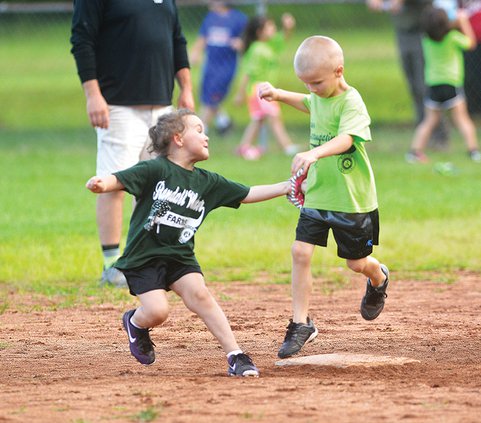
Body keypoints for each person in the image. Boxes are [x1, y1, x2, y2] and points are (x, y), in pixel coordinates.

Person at [86, 109, 292, 376]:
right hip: (144, 258)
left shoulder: (207, 181)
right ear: (178, 139)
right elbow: (122, 178)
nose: (206, 137)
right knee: (158, 312)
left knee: (201, 295)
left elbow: (248, 193)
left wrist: (286, 186)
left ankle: (236, 355)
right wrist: (103, 183)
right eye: (198, 130)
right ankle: (135, 323)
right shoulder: (155, 168)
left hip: (179, 255)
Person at [257, 36, 390, 359]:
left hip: (351, 200)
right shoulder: (318, 95)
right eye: (307, 83)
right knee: (300, 251)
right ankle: (300, 324)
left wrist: (314, 152)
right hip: (317, 193)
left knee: (355, 263)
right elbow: (308, 101)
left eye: (317, 82)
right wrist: (277, 94)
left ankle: (379, 277)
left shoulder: (351, 101)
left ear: (338, 71)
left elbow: (347, 138)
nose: (312, 89)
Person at [70, 0, 195, 288]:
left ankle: (147, 258)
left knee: (159, 186)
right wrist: (93, 94)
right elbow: (82, 39)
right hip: (118, 104)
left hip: (162, 104)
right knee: (114, 182)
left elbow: (177, 38)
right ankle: (112, 264)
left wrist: (186, 87)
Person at [367, 0, 450, 148]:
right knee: (414, 87)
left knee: (424, 86)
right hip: (402, 31)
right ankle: (423, 133)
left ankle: (439, 136)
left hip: (422, 32)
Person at [406, 7, 481, 163]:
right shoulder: (453, 37)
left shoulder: (425, 40)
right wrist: (463, 22)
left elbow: (437, 29)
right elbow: (472, 43)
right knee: (462, 119)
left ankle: (414, 152)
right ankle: (473, 151)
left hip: (433, 85)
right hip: (451, 83)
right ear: (446, 23)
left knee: (429, 121)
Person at [235, 13, 300, 160]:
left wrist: (288, 27)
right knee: (274, 116)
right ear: (260, 32)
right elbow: (248, 73)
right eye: (269, 27)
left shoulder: (268, 45)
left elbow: (283, 38)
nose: (273, 30)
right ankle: (287, 146)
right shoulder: (257, 49)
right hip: (259, 88)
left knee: (258, 119)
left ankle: (244, 146)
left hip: (263, 89)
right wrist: (240, 93)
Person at [189, 0, 248, 135]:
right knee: (207, 96)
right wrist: (195, 53)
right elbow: (203, 38)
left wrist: (241, 43)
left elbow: (249, 40)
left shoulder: (238, 18)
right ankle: (224, 122)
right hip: (210, 64)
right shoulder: (210, 17)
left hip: (226, 66)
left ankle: (199, 130)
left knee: (211, 99)